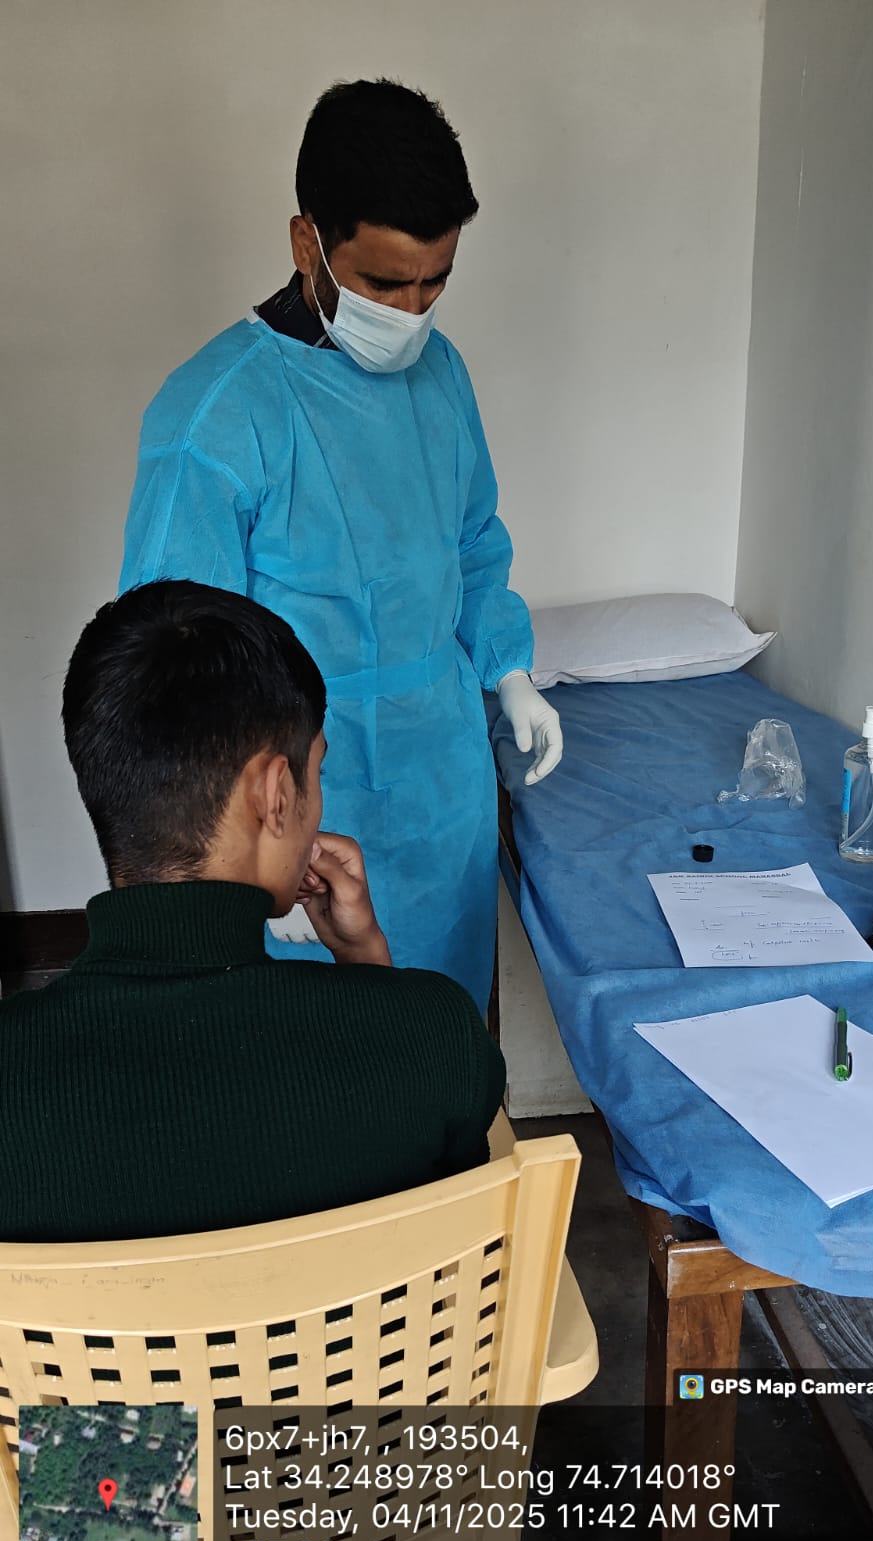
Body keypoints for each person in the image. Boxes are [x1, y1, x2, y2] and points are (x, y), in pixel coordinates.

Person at [118, 78, 562, 1015]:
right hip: (296, 824)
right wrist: (235, 865)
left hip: (441, 787)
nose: (412, 312)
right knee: (318, 1073)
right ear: (307, 242)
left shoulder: (441, 375)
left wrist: (509, 669)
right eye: (383, 284)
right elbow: (175, 674)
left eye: (435, 282)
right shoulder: (217, 416)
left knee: (440, 1043)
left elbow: (472, 543)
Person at [0, 581, 506, 1243]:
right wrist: (368, 966)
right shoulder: (435, 1035)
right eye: (315, 774)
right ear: (275, 794)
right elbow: (458, 1228)